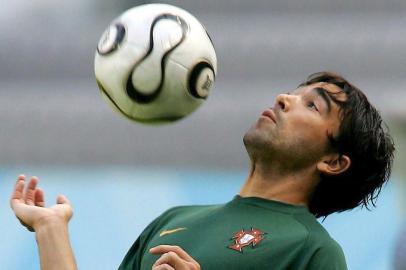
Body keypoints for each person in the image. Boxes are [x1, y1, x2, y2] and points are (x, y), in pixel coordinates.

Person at [11, 72, 395, 270]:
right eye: (295, 92)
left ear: (333, 162)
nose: (285, 98)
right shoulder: (174, 219)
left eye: (313, 106)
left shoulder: (312, 250)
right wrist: (50, 229)